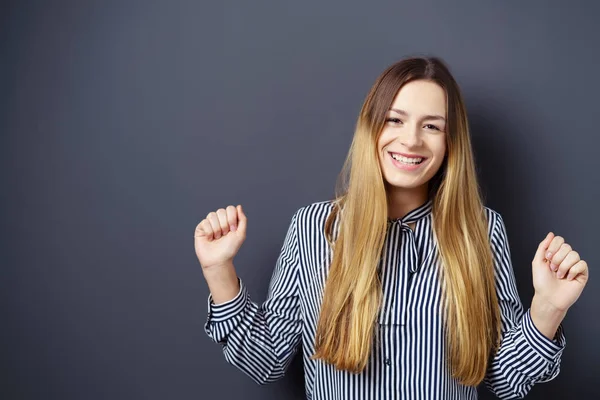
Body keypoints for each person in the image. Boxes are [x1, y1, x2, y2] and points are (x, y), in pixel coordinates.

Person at [194, 56, 589, 399]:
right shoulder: (315, 227)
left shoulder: (482, 231)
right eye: (395, 120)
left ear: (451, 142)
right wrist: (218, 272)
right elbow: (266, 361)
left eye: (432, 126)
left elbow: (503, 379)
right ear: (371, 128)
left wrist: (548, 309)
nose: (411, 140)